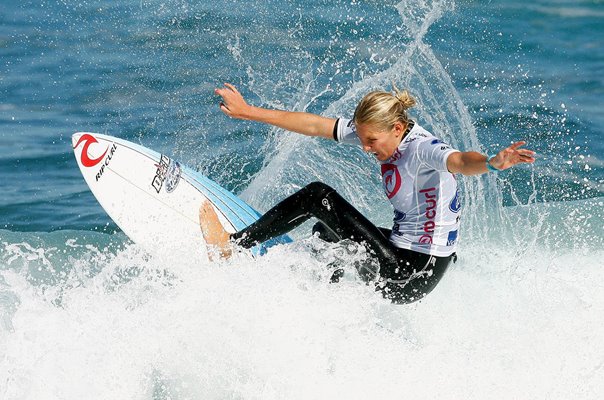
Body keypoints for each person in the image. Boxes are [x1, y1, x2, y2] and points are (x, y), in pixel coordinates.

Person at [200, 83, 535, 304]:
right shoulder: (381, 131)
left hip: (412, 274)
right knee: (325, 232)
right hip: (411, 259)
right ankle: (320, 306)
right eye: (361, 138)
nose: (364, 147)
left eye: (371, 141)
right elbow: (316, 125)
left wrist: (491, 163)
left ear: (398, 129)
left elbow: (460, 161)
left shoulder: (424, 149)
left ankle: (230, 247)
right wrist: (248, 111)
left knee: (318, 197)